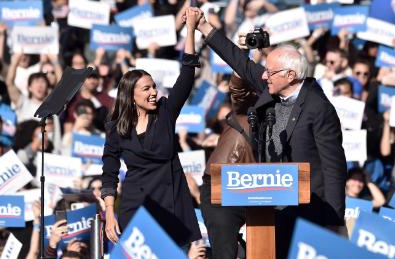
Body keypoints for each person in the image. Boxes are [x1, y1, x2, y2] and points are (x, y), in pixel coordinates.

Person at [190, 8, 347, 257]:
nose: (264, 75)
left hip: (305, 203)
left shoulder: (319, 108)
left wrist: (334, 220)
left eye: (271, 72)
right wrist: (205, 27)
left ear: (291, 75)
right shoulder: (273, 87)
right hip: (271, 195)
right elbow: (240, 62)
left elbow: (334, 166)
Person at [101, 8, 202, 247]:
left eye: (154, 87)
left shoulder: (165, 112)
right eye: (146, 89)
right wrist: (109, 214)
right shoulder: (116, 128)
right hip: (136, 208)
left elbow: (187, 75)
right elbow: (109, 171)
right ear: (130, 95)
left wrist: (189, 30)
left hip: (172, 205)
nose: (154, 92)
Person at [200, 72, 258, 259]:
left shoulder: (292, 113)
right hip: (224, 186)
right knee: (226, 254)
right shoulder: (249, 106)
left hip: (263, 188)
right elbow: (238, 88)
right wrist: (242, 54)